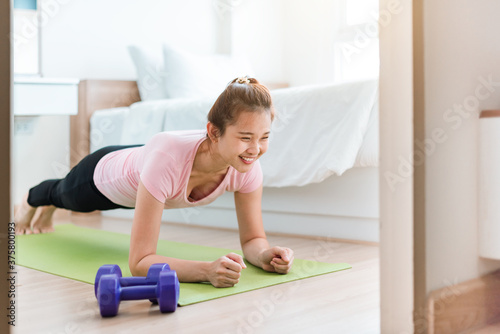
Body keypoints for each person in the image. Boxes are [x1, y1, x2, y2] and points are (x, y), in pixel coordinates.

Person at [14, 76, 294, 288]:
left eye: (264, 137)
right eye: (246, 137)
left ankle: (47, 205)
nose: (255, 149)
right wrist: (206, 271)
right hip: (104, 174)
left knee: (69, 193)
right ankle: (31, 199)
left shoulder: (246, 164)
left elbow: (253, 240)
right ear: (213, 132)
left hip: (148, 161)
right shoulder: (167, 158)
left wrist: (265, 255)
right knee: (63, 194)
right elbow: (139, 263)